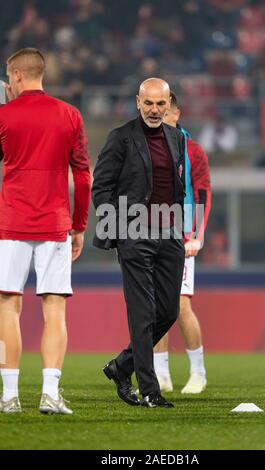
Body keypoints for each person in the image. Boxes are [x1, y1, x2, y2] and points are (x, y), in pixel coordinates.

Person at [0, 48, 91, 414]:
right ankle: (50, 394)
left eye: (9, 76)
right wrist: (79, 225)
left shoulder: (4, 116)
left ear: (17, 76)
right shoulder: (69, 115)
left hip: (11, 224)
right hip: (55, 225)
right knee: (55, 310)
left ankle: (9, 396)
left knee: (8, 306)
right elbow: (83, 178)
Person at [92, 78, 185, 408]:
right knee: (143, 314)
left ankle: (121, 366)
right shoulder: (121, 137)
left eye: (161, 104)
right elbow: (100, 189)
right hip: (134, 235)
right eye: (149, 103)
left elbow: (178, 187)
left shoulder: (176, 138)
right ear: (137, 102)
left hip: (169, 234)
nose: (155, 110)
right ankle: (149, 390)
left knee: (169, 311)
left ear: (168, 104)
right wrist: (119, 233)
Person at [154, 92, 211, 394]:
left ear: (176, 114)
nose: (158, 116)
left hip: (181, 237)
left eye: (164, 110)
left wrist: (197, 236)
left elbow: (202, 194)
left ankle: (198, 372)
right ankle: (161, 374)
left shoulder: (192, 151)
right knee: (153, 305)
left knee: (179, 304)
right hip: (150, 235)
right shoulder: (142, 147)